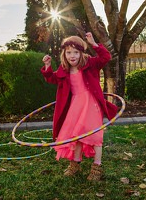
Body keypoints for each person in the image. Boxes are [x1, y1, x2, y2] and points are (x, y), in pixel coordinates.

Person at [41, 24, 117, 181]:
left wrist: (94, 44)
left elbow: (106, 57)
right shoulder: (64, 70)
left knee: (95, 135)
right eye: (68, 52)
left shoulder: (91, 64)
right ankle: (75, 164)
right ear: (64, 54)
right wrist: (47, 67)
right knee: (75, 136)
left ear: (82, 53)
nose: (72, 55)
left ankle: (97, 167)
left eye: (76, 52)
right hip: (75, 106)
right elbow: (52, 79)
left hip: (91, 105)